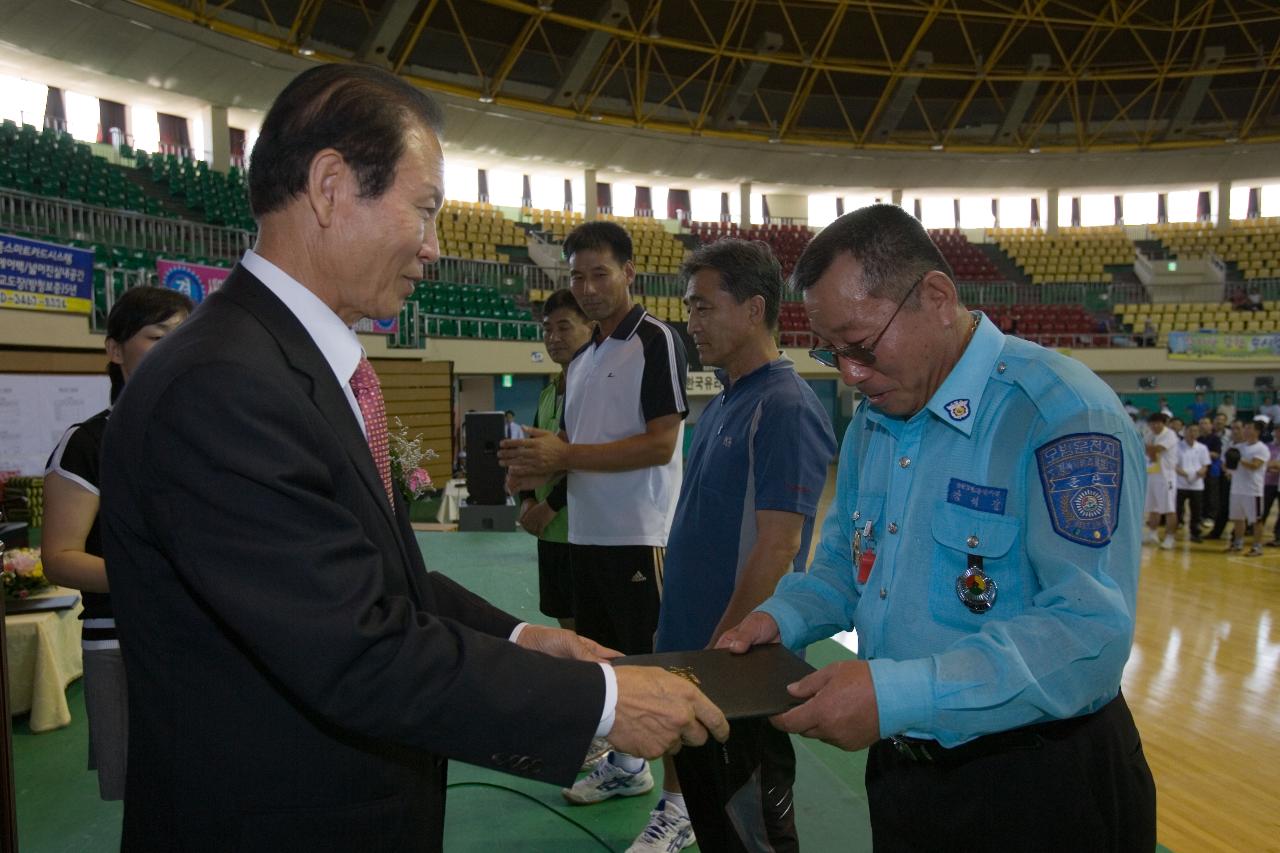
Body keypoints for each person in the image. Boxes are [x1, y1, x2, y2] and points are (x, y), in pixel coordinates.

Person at [97, 64, 726, 853]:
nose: (433, 248)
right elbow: (358, 650)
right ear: (330, 187)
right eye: (424, 211)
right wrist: (599, 701)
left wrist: (527, 639)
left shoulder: (286, 364)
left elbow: (374, 577)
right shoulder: (224, 385)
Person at [717, 204, 1155, 852]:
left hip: (1039, 781)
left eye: (862, 346)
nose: (849, 374)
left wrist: (895, 692)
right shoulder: (875, 417)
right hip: (905, 774)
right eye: (831, 351)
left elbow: (1087, 635)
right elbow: (845, 560)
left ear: (937, 297)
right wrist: (780, 618)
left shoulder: (1061, 413)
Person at [498, 220, 690, 840]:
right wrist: (534, 470)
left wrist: (565, 458)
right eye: (576, 276)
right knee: (609, 668)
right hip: (587, 536)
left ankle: (683, 806)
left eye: (599, 273)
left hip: (641, 534)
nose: (587, 287)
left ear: (630, 273)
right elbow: (575, 450)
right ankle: (630, 767)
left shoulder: (655, 340)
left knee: (660, 668)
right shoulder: (583, 360)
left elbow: (661, 445)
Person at [654, 239, 836, 853]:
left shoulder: (784, 407)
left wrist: (719, 654)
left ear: (755, 309)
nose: (690, 322)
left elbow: (778, 549)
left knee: (752, 834)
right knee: (713, 826)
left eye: (704, 307)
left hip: (733, 667)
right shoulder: (725, 402)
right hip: (698, 655)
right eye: (688, 308)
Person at [41, 285, 194, 801]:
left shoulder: (209, 432)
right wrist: (157, 575)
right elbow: (59, 559)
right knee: (150, 802)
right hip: (124, 642)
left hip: (209, 637)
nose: (174, 348)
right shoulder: (88, 443)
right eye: (157, 337)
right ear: (113, 349)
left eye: (184, 336)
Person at [517, 289, 595, 632]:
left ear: (591, 329)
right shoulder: (550, 391)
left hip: (586, 534)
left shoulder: (596, 388)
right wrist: (527, 501)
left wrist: (548, 506)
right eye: (547, 329)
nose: (553, 338)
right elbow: (531, 456)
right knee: (567, 624)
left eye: (564, 327)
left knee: (595, 630)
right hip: (550, 534)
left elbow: (590, 459)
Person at [1224, 418, 1270, 557]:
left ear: (1257, 431)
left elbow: (1255, 466)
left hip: (1252, 490)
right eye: (1246, 428)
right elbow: (1229, 464)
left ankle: (1257, 547)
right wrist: (1227, 469)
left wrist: (1240, 460)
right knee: (1238, 518)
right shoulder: (1239, 447)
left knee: (1256, 520)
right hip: (1237, 488)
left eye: (1249, 428)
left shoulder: (1261, 448)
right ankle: (1238, 543)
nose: (1246, 430)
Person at [1143, 411, 1178, 550]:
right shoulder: (1149, 434)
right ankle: (1152, 533)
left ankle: (1170, 537)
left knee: (1169, 508)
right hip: (1152, 474)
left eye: (1158, 423)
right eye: (1152, 423)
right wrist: (1150, 450)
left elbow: (1156, 450)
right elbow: (1147, 450)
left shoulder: (1170, 434)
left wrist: (1149, 449)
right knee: (1153, 507)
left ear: (1163, 423)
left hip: (1166, 476)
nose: (1155, 426)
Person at [1174, 423, 1210, 543]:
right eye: (1190, 430)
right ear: (1185, 432)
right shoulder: (1177, 447)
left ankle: (1195, 533)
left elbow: (1205, 465)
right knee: (1177, 510)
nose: (1192, 433)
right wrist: (1186, 474)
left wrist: (1199, 473)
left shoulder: (1202, 448)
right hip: (1180, 483)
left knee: (1196, 511)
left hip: (1197, 485)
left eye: (1195, 431)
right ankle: (1173, 532)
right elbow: (1174, 465)